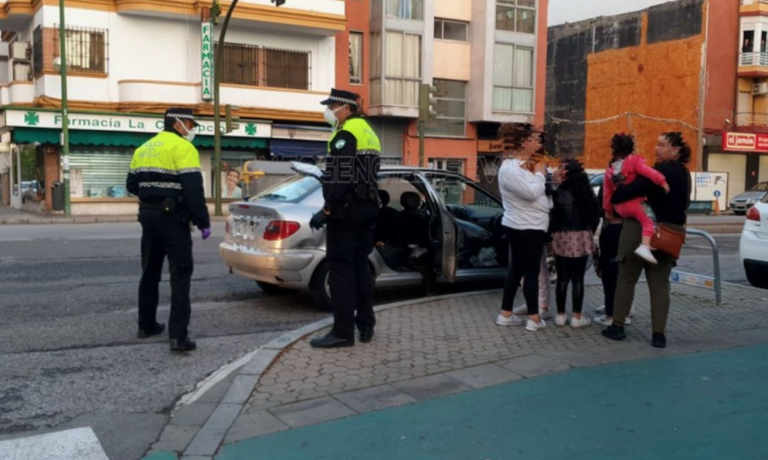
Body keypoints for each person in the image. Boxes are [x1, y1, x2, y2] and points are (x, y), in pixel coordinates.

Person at [126, 108, 211, 353]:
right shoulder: (183, 148)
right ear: (177, 124)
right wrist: (203, 222)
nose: (192, 128)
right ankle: (178, 337)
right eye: (189, 123)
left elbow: (131, 184)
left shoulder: (144, 148)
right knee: (180, 274)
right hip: (173, 218)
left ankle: (146, 325)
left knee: (150, 271)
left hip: (148, 216)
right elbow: (194, 189)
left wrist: (152, 194)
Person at [602, 132, 692, 348]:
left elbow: (622, 194)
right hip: (671, 233)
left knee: (626, 278)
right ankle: (658, 334)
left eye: (662, 145)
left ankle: (617, 326)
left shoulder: (658, 172)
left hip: (639, 229)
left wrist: (617, 193)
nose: (656, 149)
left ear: (676, 150)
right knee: (660, 284)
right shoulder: (685, 174)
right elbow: (685, 204)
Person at [308, 89, 382, 348]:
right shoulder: (369, 133)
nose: (330, 110)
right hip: (368, 206)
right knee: (360, 267)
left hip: (347, 211)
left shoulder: (345, 134)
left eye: (334, 105)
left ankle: (342, 332)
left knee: (340, 268)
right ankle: (366, 325)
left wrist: (326, 210)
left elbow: (342, 176)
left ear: (348, 108)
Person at [495, 123, 551, 332]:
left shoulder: (521, 165)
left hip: (526, 224)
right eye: (535, 139)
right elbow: (531, 193)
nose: (539, 143)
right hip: (526, 226)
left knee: (517, 269)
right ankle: (534, 318)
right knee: (530, 271)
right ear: (524, 142)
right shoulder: (511, 168)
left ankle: (506, 313)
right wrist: (539, 174)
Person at [548, 159, 600, 328]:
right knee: (578, 278)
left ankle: (560, 315)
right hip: (582, 235)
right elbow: (595, 215)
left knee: (562, 278)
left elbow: (552, 216)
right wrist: (589, 231)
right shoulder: (585, 192)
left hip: (562, 235)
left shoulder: (557, 192)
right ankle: (577, 316)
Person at [603, 133, 670, 265]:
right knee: (649, 221)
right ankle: (645, 246)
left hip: (620, 208)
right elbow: (649, 172)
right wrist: (663, 182)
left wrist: (608, 211)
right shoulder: (633, 162)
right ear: (631, 149)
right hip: (635, 204)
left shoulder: (610, 169)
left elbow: (607, 193)